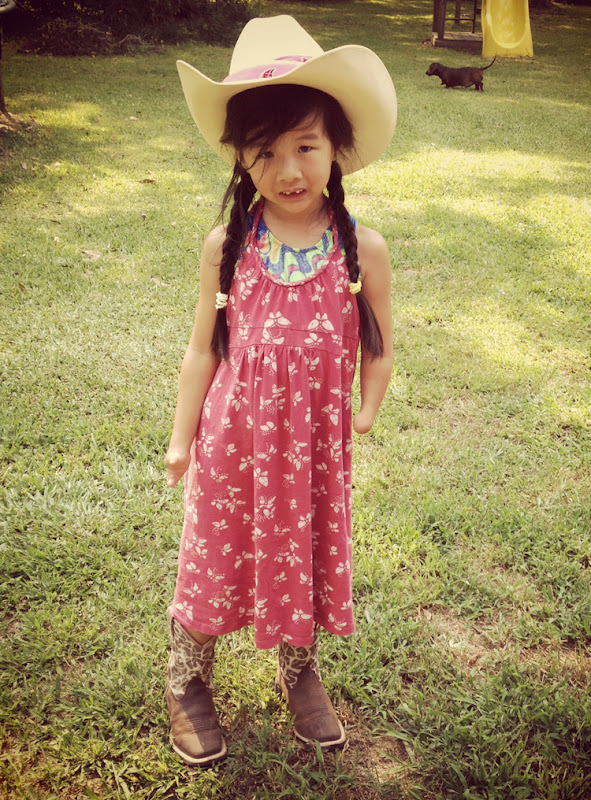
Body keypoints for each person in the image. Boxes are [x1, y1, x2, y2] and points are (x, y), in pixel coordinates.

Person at [164, 15, 397, 767]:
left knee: (303, 552)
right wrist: (180, 440)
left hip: (313, 451)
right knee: (216, 552)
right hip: (232, 442)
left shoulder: (362, 249)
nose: (288, 169)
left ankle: (299, 671)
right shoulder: (228, 246)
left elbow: (378, 347)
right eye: (265, 151)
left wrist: (365, 410)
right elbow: (202, 350)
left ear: (337, 148)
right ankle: (186, 676)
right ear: (240, 158)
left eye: (305, 146)